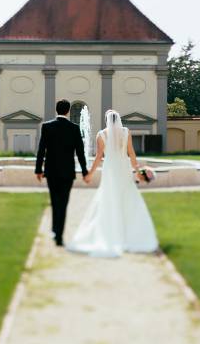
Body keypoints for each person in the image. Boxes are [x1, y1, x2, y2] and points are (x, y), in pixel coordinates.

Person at [67, 109, 158, 257]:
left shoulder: (101, 135)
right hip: (123, 167)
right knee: (127, 197)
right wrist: (137, 170)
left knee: (109, 198)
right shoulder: (126, 132)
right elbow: (131, 153)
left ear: (106, 120)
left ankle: (109, 233)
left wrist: (90, 173)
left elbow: (98, 157)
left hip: (110, 169)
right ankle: (130, 235)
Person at [35, 99, 89, 246]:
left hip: (51, 171)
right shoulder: (74, 128)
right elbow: (80, 153)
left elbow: (41, 150)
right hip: (67, 172)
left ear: (57, 110)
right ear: (68, 111)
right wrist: (85, 171)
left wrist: (38, 169)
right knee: (63, 203)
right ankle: (59, 234)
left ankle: (55, 230)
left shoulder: (47, 127)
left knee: (54, 201)